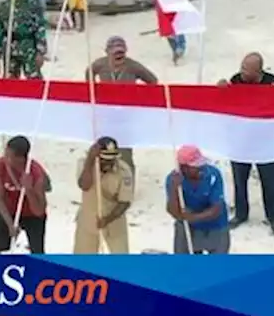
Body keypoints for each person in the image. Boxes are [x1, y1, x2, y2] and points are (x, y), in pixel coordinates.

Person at [217, 52, 274, 235]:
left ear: (258, 71)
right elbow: (228, 103)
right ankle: (241, 213)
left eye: (247, 69)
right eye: (242, 67)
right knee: (240, 180)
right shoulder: (236, 80)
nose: (242, 72)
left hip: (266, 141)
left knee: (269, 181)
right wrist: (222, 89)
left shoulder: (273, 82)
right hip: (242, 140)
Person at [85, 36, 158, 172]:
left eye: (121, 52)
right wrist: (93, 91)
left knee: (125, 152)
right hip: (106, 114)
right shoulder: (100, 64)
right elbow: (89, 72)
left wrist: (139, 98)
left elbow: (153, 81)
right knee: (104, 147)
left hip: (126, 115)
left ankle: (128, 182)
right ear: (107, 52)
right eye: (115, 53)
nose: (119, 56)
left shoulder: (133, 66)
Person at [0, 136, 49, 254]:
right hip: (8, 210)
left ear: (21, 158)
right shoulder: (1, 165)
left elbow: (39, 211)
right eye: (5, 154)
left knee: (37, 252)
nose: (5, 158)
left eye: (9, 156)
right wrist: (10, 224)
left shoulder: (36, 173)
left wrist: (29, 190)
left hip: (32, 215)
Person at [167, 145, 231, 254]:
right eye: (195, 165)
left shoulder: (213, 175)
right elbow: (173, 212)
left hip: (215, 225)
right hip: (189, 227)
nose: (201, 167)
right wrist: (174, 190)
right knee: (184, 265)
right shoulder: (173, 180)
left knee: (218, 266)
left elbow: (216, 209)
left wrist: (193, 217)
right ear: (183, 168)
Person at [73, 137, 132, 254]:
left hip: (114, 222)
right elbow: (84, 185)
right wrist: (90, 161)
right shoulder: (85, 164)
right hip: (88, 221)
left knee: (121, 262)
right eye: (105, 160)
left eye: (111, 160)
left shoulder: (124, 171)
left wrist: (107, 219)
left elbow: (124, 202)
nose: (108, 164)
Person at [0, 0, 47, 79]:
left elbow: (40, 26)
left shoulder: (31, 3)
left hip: (29, 45)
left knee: (34, 80)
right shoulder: (3, 7)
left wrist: (41, 51)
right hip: (10, 47)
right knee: (10, 82)